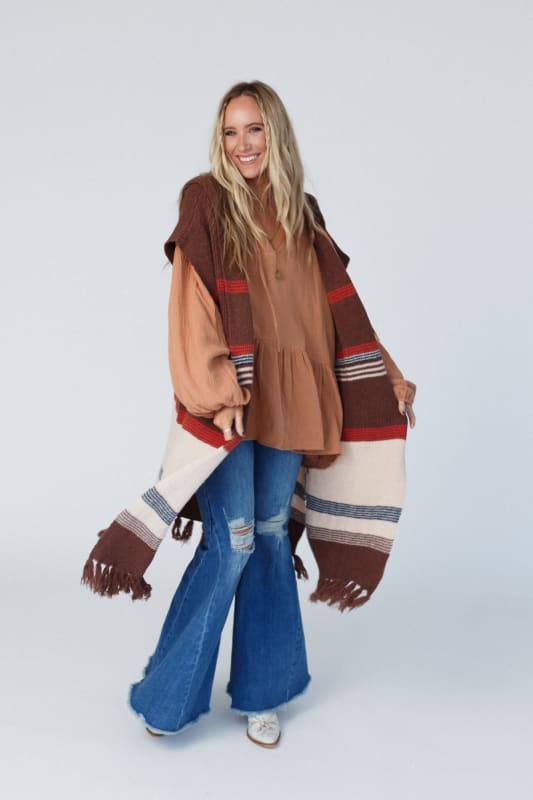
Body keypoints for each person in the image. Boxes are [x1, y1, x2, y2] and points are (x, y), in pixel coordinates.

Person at [123, 80, 417, 748]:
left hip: (296, 397)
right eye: (230, 132)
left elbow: (342, 311)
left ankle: (264, 690)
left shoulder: (303, 212)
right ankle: (166, 695)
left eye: (253, 129)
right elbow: (191, 304)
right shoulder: (205, 199)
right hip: (236, 398)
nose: (242, 144)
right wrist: (218, 390)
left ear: (275, 134)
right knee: (231, 542)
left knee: (269, 535)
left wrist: (388, 376)